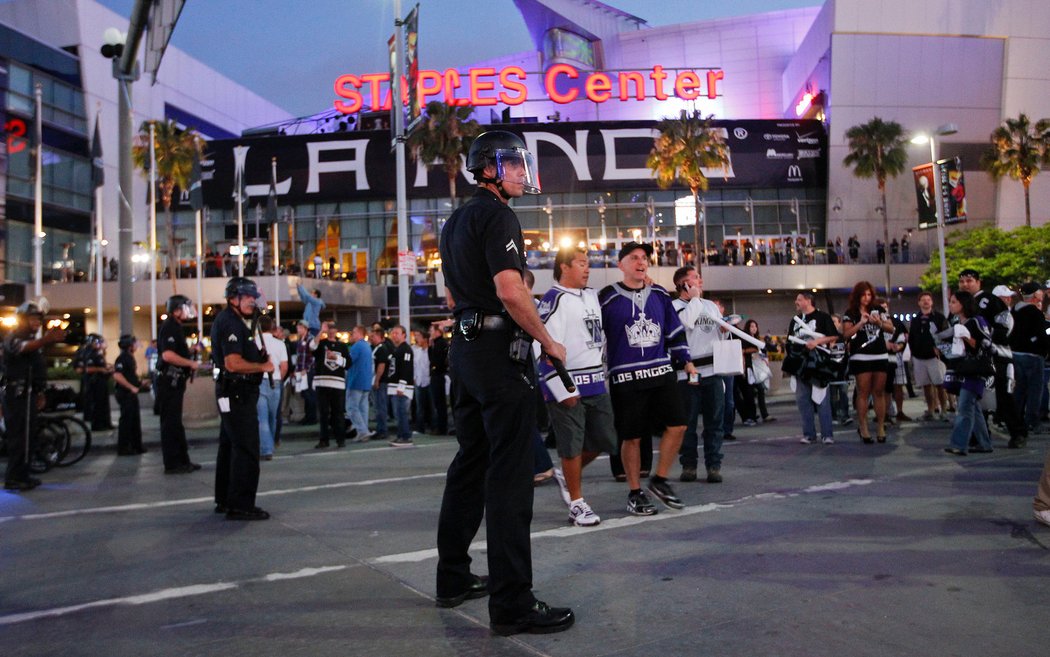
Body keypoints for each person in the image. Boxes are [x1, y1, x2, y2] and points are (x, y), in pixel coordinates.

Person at [435, 130, 574, 635]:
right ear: (489, 168)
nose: (521, 171)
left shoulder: (455, 222)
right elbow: (510, 290)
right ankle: (512, 604)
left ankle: (451, 577)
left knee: (469, 465)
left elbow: (455, 295)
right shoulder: (498, 215)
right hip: (499, 355)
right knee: (511, 478)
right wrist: (548, 341)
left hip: (466, 352)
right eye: (513, 163)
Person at [601, 242, 691, 514]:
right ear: (621, 264)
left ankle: (660, 480)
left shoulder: (660, 294)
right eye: (634, 258)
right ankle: (635, 491)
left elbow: (674, 330)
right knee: (632, 437)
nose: (641, 262)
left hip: (661, 370)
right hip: (625, 377)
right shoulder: (606, 297)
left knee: (678, 425)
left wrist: (685, 360)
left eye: (644, 258)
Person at [535, 247, 616, 526]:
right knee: (571, 445)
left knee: (606, 438)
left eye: (588, 263)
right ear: (564, 267)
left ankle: (567, 474)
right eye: (581, 263)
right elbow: (540, 344)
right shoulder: (553, 299)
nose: (587, 268)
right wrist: (559, 387)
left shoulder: (592, 295)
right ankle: (577, 504)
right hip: (567, 383)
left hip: (595, 381)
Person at [211, 277, 274, 521]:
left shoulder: (237, 321)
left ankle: (226, 499)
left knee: (230, 446)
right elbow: (232, 363)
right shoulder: (231, 323)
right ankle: (241, 504)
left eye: (253, 297)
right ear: (233, 298)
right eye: (247, 297)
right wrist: (263, 366)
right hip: (237, 392)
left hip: (234, 392)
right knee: (247, 448)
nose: (252, 301)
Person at [958, 269, 1026, 447]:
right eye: (962, 281)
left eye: (969, 280)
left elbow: (1005, 322)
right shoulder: (959, 303)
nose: (965, 284)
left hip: (997, 355)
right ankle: (979, 434)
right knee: (975, 396)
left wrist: (990, 338)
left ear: (978, 282)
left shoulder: (989, 300)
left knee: (1004, 395)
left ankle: (1017, 432)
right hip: (973, 358)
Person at [4, 300, 64, 491]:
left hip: (29, 393)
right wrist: (45, 340)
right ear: (22, 319)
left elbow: (36, 367)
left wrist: (40, 392)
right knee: (18, 437)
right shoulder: (13, 336)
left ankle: (24, 474)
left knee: (28, 437)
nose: (37, 322)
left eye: (39, 319)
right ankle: (14, 477)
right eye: (32, 318)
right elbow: (19, 348)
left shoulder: (34, 340)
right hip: (17, 393)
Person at [671, 266, 724, 484]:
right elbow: (686, 323)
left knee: (714, 421)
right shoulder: (673, 306)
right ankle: (689, 465)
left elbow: (716, 331)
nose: (700, 280)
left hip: (712, 369)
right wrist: (694, 300)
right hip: (688, 371)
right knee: (688, 422)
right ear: (684, 284)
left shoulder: (710, 306)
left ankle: (714, 464)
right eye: (694, 278)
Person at [942, 291, 994, 455]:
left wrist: (965, 337)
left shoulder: (976, 321)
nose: (951, 305)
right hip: (964, 369)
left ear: (963, 304)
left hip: (975, 370)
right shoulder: (959, 321)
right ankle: (984, 443)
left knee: (964, 407)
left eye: (954, 302)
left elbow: (985, 344)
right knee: (974, 408)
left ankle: (959, 444)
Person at [841, 282, 894, 442]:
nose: (866, 298)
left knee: (879, 391)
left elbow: (891, 328)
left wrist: (879, 322)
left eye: (869, 295)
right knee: (863, 392)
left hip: (879, 353)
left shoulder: (879, 310)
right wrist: (861, 323)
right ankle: (863, 426)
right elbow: (845, 334)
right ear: (857, 295)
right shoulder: (850, 312)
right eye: (863, 295)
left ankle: (880, 427)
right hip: (860, 355)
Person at [157, 295, 203, 474]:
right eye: (184, 307)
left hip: (175, 382)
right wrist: (190, 363)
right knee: (170, 423)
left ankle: (182, 460)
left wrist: (190, 351)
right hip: (169, 381)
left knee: (175, 423)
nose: (187, 311)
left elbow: (176, 351)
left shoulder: (176, 327)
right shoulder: (169, 327)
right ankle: (173, 463)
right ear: (176, 309)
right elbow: (167, 355)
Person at [786, 291, 839, 444]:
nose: (796, 302)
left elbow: (834, 336)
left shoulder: (823, 317)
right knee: (803, 400)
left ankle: (827, 434)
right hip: (800, 363)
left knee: (822, 398)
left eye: (799, 299)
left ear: (808, 301)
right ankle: (809, 433)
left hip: (818, 362)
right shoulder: (795, 320)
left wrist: (817, 342)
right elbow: (790, 340)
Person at [1010, 282, 1047, 435]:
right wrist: (1043, 350)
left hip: (1016, 354)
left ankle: (1016, 420)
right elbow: (1041, 335)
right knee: (1034, 390)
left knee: (1019, 390)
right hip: (1032, 356)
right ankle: (1032, 420)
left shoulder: (1014, 311)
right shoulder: (1034, 312)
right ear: (1035, 295)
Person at [909, 292, 949, 421]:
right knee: (926, 385)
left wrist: (941, 350)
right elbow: (912, 337)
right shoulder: (915, 320)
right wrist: (913, 352)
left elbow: (946, 334)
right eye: (923, 300)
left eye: (928, 299)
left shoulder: (939, 317)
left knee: (940, 384)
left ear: (931, 302)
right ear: (919, 302)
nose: (926, 302)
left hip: (935, 357)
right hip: (919, 357)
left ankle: (944, 409)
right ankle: (930, 410)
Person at [311, 320, 350, 449]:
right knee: (323, 413)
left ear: (337, 330)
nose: (331, 330)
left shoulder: (343, 346)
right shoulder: (321, 344)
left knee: (338, 412)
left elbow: (348, 364)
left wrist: (336, 358)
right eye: (329, 328)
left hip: (338, 384)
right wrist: (321, 331)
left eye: (334, 328)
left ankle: (340, 439)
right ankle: (324, 439)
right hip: (322, 382)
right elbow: (312, 347)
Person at [256, 315, 288, 460]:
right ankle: (271, 443)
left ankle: (266, 448)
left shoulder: (254, 342)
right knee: (272, 416)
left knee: (261, 417)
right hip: (275, 381)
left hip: (259, 380)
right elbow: (284, 366)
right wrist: (279, 378)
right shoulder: (280, 344)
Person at [113, 334, 146, 456]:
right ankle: (124, 447)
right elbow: (117, 375)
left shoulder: (129, 358)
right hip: (125, 393)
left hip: (130, 393)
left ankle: (135, 445)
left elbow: (130, 376)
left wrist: (139, 383)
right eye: (134, 343)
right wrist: (131, 387)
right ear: (129, 345)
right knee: (126, 421)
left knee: (134, 420)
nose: (136, 346)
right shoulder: (122, 358)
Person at [386, 325, 415, 447]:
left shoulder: (406, 349)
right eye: (393, 333)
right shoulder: (396, 349)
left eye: (397, 333)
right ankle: (400, 435)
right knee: (398, 413)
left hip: (401, 387)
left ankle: (405, 436)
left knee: (402, 412)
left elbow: (406, 369)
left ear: (404, 335)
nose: (394, 335)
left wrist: (401, 386)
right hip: (394, 386)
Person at [345, 325, 373, 442]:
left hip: (356, 381)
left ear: (360, 333)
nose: (352, 335)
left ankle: (363, 431)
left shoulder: (356, 346)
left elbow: (348, 362)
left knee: (351, 408)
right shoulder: (367, 346)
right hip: (366, 381)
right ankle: (363, 431)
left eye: (354, 332)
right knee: (363, 409)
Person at [368, 326, 391, 441]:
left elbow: (381, 365)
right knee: (378, 406)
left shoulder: (382, 349)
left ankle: (383, 430)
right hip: (377, 381)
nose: (372, 338)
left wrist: (377, 380)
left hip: (380, 382)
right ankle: (380, 429)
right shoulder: (377, 348)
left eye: (374, 336)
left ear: (380, 337)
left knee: (380, 406)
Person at [293, 321, 318, 424]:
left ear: (305, 328)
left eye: (300, 328)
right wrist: (296, 370)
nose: (298, 330)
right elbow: (299, 356)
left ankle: (312, 417)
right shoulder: (300, 340)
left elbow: (313, 356)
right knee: (304, 393)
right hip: (301, 371)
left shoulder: (310, 339)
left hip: (307, 371)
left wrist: (306, 368)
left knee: (309, 394)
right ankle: (308, 416)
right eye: (298, 328)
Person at [428, 322, 450, 435]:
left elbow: (437, 360)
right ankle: (439, 426)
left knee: (440, 403)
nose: (430, 333)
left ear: (437, 332)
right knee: (437, 402)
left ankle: (442, 427)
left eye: (431, 331)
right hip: (436, 374)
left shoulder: (441, 343)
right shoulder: (436, 343)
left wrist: (435, 367)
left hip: (438, 375)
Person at [411, 329, 434, 434]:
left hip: (429, 381)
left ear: (425, 339)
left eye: (419, 336)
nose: (416, 339)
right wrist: (414, 377)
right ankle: (420, 428)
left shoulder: (430, 351)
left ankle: (434, 427)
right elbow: (415, 366)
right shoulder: (416, 351)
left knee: (432, 406)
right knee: (419, 407)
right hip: (419, 381)